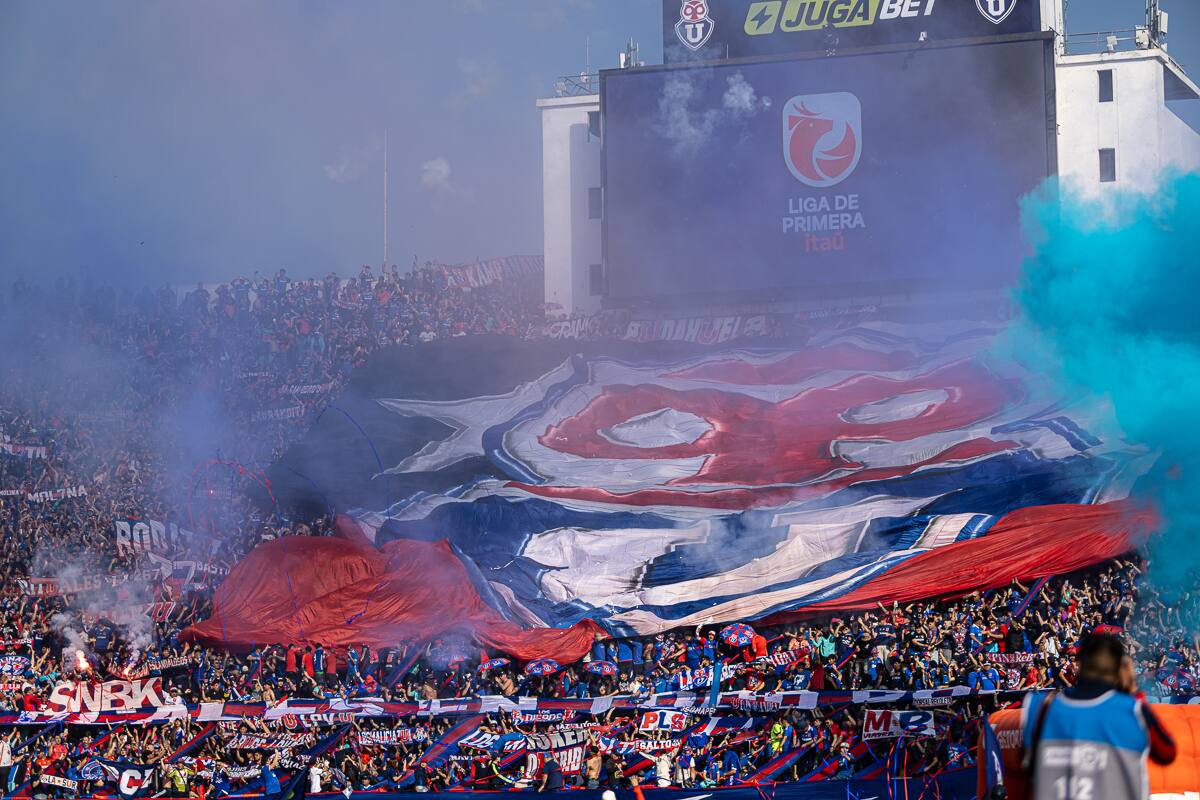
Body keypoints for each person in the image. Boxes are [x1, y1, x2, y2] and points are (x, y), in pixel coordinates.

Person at [1022, 633, 1175, 800]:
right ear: (1119, 668)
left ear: (1080, 664)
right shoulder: (1133, 709)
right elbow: (1167, 752)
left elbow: (1027, 766)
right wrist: (1133, 692)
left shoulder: (1039, 707)